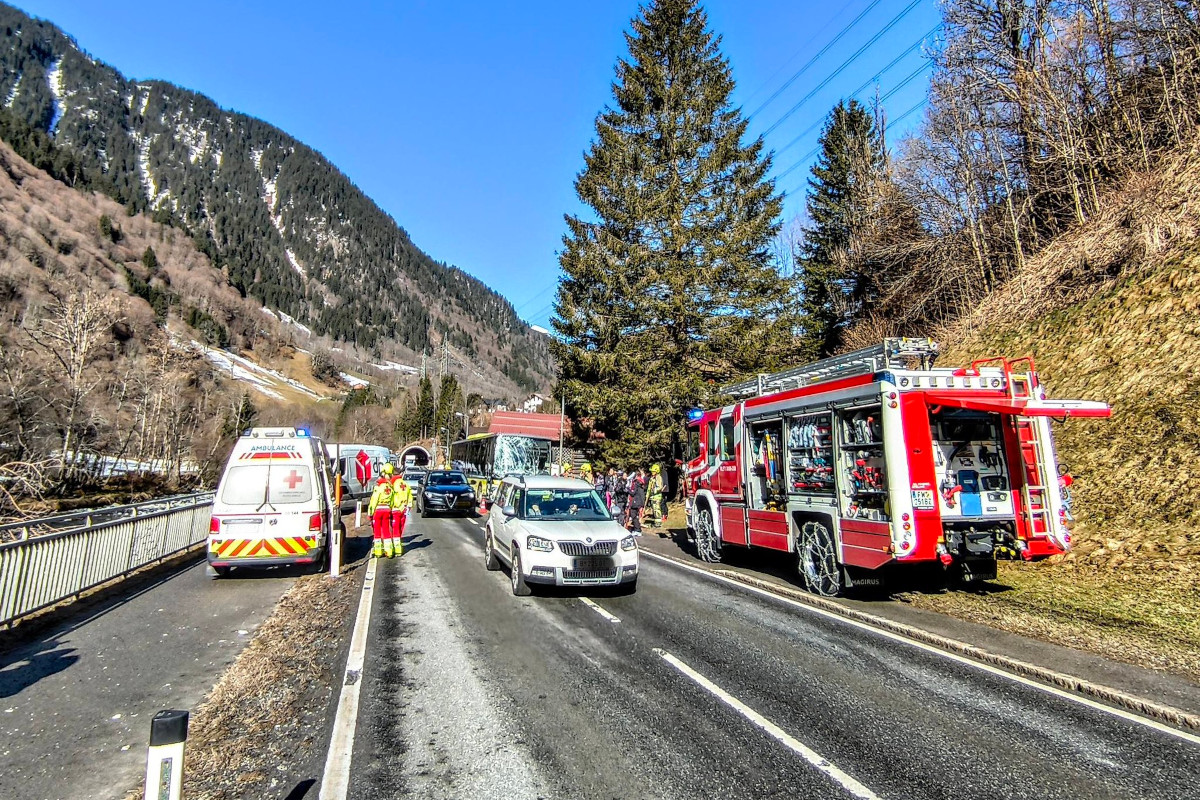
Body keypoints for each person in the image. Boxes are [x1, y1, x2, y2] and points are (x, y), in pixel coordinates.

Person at [367, 464, 395, 558]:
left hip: (378, 511)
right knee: (387, 531)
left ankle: (378, 552)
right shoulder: (390, 488)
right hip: (387, 510)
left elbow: (374, 500)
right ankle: (389, 551)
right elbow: (392, 501)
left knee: (377, 531)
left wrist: (370, 512)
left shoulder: (378, 487)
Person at [388, 466, 413, 557]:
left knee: (394, 528)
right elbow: (409, 496)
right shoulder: (405, 484)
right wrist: (409, 505)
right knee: (400, 528)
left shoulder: (392, 484)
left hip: (395, 509)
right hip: (404, 509)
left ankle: (395, 547)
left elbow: (389, 496)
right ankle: (398, 545)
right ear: (400, 474)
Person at [646, 463, 665, 529]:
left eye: (653, 471)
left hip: (657, 497)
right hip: (653, 497)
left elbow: (659, 487)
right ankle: (656, 522)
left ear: (656, 471)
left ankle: (658, 523)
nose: (652, 472)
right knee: (654, 510)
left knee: (657, 510)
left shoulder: (658, 477)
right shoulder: (653, 478)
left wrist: (654, 491)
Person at [627, 467, 647, 535]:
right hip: (639, 501)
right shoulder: (640, 482)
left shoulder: (637, 483)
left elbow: (633, 493)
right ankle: (637, 529)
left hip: (636, 501)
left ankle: (637, 530)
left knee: (633, 515)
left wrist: (628, 490)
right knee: (635, 515)